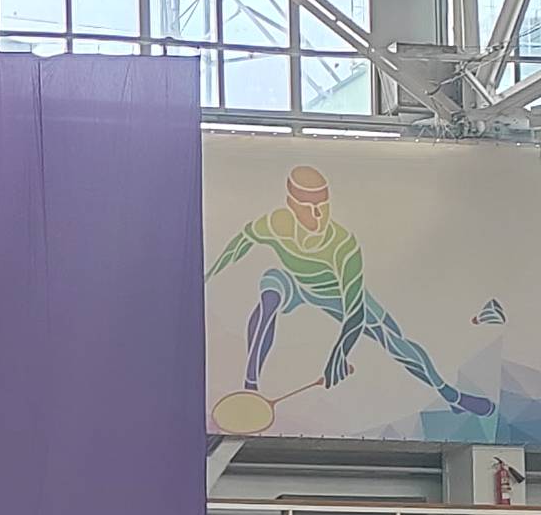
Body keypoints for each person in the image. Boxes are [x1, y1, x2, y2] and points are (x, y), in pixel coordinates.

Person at [207, 165, 494, 419]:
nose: (318, 214)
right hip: (294, 285)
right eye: (308, 206)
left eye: (323, 205)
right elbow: (241, 242)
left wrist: (340, 352)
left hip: (337, 297)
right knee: (270, 289)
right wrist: (205, 277)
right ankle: (250, 388)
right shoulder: (275, 224)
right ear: (291, 204)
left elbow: (354, 311)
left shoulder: (343, 246)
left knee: (393, 339)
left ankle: (452, 397)